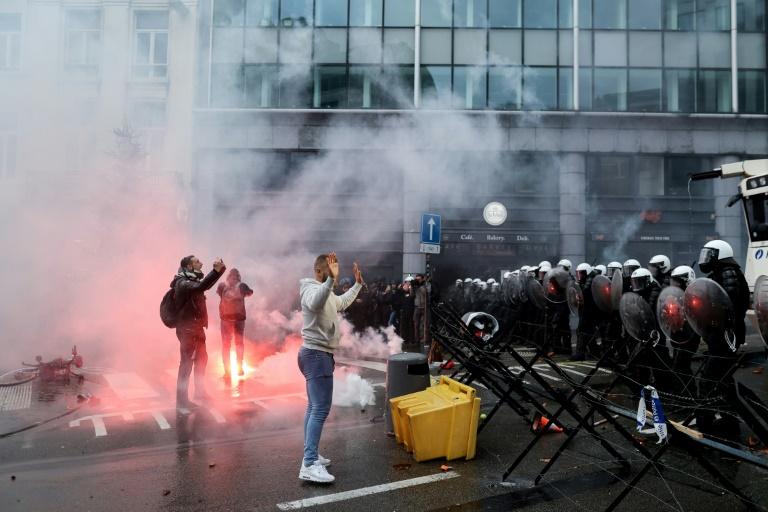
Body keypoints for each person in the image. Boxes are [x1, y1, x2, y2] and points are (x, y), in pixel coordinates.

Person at [298, 252, 364, 484]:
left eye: (334, 271)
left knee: (314, 407)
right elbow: (315, 303)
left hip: (318, 354)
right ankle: (308, 464)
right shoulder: (309, 289)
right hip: (315, 354)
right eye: (329, 271)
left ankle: (311, 454)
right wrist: (329, 282)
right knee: (320, 409)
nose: (334, 276)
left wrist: (357, 285)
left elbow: (342, 301)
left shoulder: (326, 292)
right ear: (318, 272)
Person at [171, 255, 226, 414]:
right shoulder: (182, 283)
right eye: (196, 262)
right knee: (186, 364)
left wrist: (219, 271)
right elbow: (201, 287)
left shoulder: (192, 281)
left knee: (202, 360)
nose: (201, 263)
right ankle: (181, 402)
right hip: (188, 330)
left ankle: (200, 392)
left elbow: (203, 286)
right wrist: (216, 271)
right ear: (188, 267)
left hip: (197, 328)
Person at [216, 268, 253, 380]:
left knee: (226, 345)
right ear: (238, 277)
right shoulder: (242, 286)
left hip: (226, 319)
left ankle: (227, 372)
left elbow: (219, 294)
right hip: (239, 319)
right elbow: (250, 293)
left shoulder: (222, 286)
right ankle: (239, 368)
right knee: (239, 344)